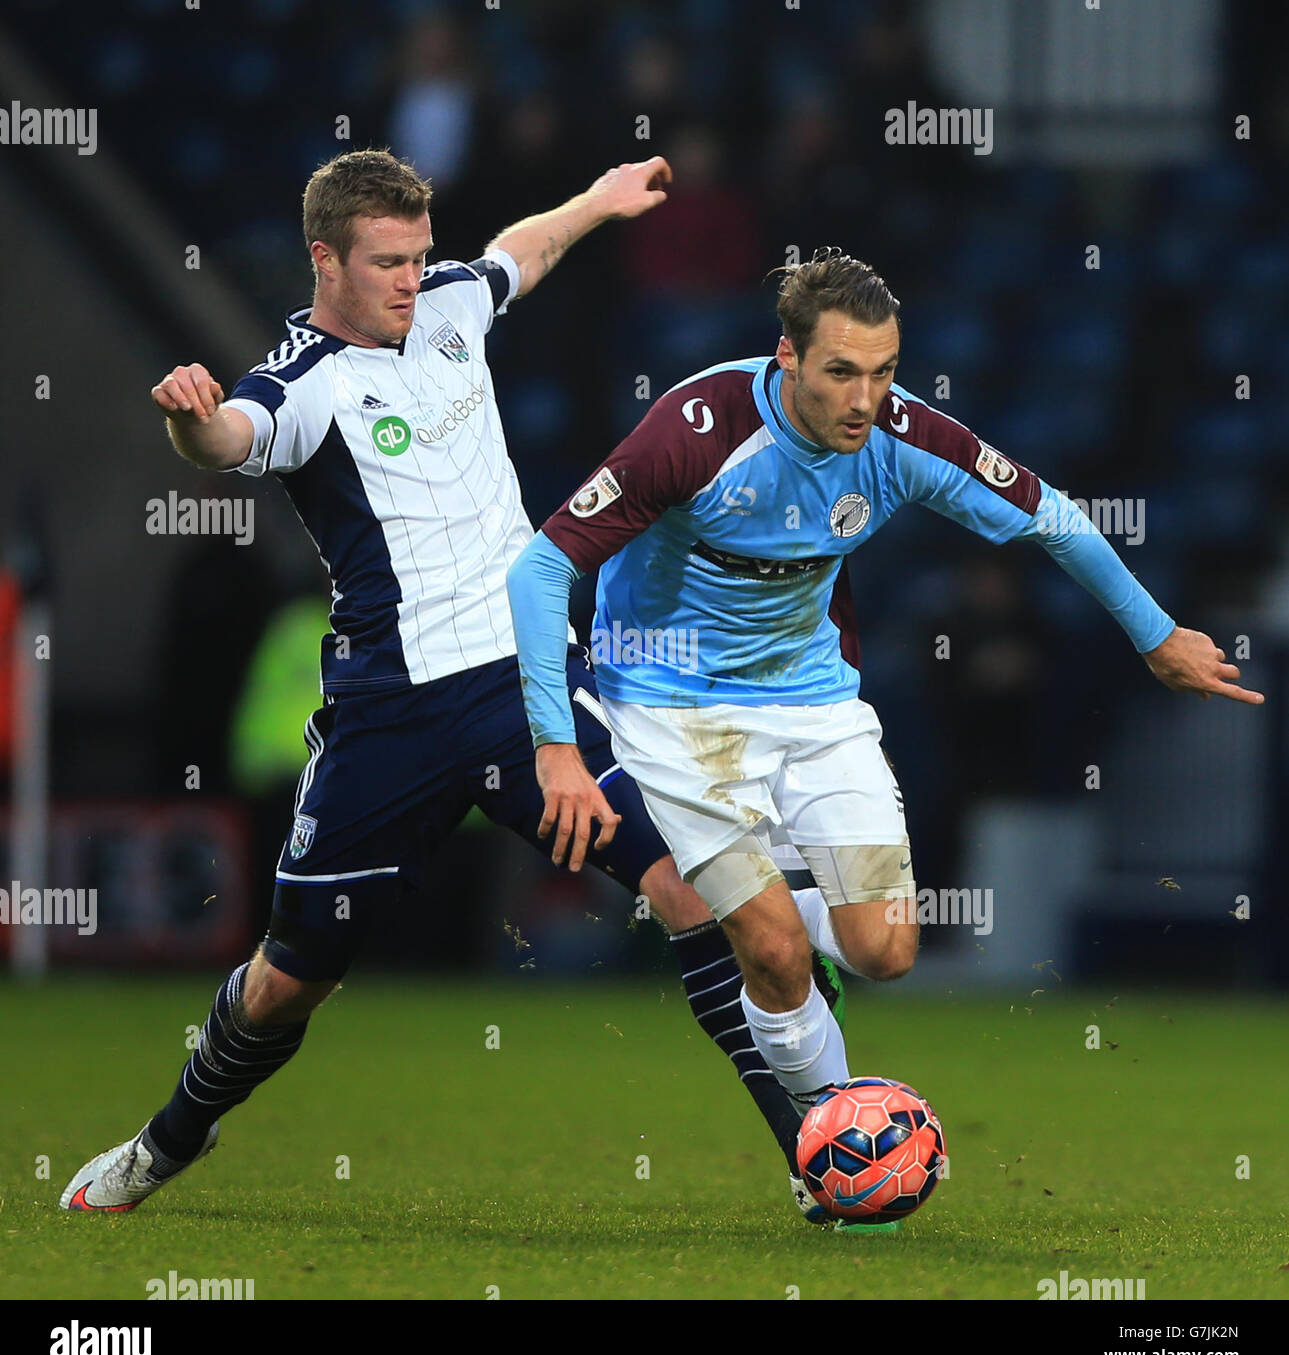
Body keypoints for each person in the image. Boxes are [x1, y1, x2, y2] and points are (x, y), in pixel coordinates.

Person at [60, 150, 839, 1223]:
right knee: (290, 978)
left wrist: (596, 204)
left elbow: (517, 253)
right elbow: (227, 439)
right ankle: (167, 1140)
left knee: (688, 892)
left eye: (420, 257)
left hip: (526, 686)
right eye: (386, 262)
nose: (410, 281)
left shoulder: (446, 306)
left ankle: (819, 1156)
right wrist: (186, 414)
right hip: (392, 712)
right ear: (323, 258)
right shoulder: (302, 384)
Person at [506, 246, 1265, 1116]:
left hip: (815, 707)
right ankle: (830, 1140)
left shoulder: (900, 437)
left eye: (882, 372)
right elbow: (539, 569)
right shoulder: (696, 430)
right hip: (675, 712)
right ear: (786, 357)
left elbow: (1049, 516)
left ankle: (748, 907)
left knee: (885, 952)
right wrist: (555, 747)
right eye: (839, 372)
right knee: (779, 954)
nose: (863, 399)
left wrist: (1155, 634)